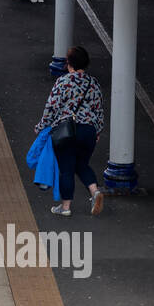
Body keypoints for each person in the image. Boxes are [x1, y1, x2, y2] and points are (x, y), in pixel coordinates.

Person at [35, 45, 105, 216]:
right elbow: (99, 110)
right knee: (82, 164)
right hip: (88, 131)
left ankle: (65, 207)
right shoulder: (93, 83)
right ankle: (95, 192)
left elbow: (51, 107)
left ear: (68, 63)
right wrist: (97, 132)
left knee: (67, 169)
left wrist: (41, 126)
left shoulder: (63, 82)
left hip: (67, 131)